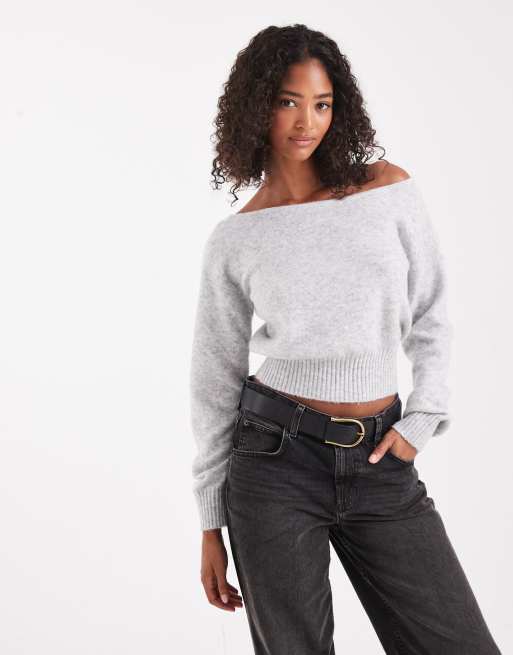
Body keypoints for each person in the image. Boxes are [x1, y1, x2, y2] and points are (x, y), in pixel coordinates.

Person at [189, 23, 502, 655]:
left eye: (322, 103)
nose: (307, 121)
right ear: (257, 106)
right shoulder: (237, 238)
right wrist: (210, 520)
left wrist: (424, 416)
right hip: (273, 464)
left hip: (382, 460)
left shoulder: (385, 188)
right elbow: (214, 377)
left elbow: (431, 308)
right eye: (288, 101)